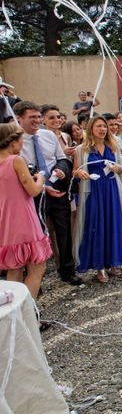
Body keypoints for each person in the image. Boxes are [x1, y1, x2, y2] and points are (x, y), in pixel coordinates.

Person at [14, 100, 82, 285]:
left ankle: (67, 270)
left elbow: (62, 159)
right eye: (32, 117)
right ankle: (34, 277)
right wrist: (39, 182)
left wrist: (61, 170)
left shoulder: (48, 136)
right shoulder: (14, 138)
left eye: (38, 117)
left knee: (64, 231)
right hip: (32, 194)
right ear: (19, 118)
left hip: (58, 191)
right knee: (35, 236)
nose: (36, 120)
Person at [72, 116, 122, 283]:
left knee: (114, 224)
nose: (103, 129)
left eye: (104, 126)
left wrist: (117, 168)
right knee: (96, 226)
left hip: (111, 190)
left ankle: (114, 262)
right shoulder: (81, 149)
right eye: (99, 126)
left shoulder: (112, 147)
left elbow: (121, 169)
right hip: (94, 191)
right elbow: (75, 170)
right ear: (91, 128)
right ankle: (99, 266)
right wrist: (80, 173)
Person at [0, 123, 51, 299]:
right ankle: (29, 314)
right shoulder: (16, 160)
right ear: (12, 141)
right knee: (37, 267)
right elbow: (34, 190)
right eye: (21, 140)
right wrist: (40, 178)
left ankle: (14, 315)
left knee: (14, 270)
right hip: (23, 217)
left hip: (5, 220)